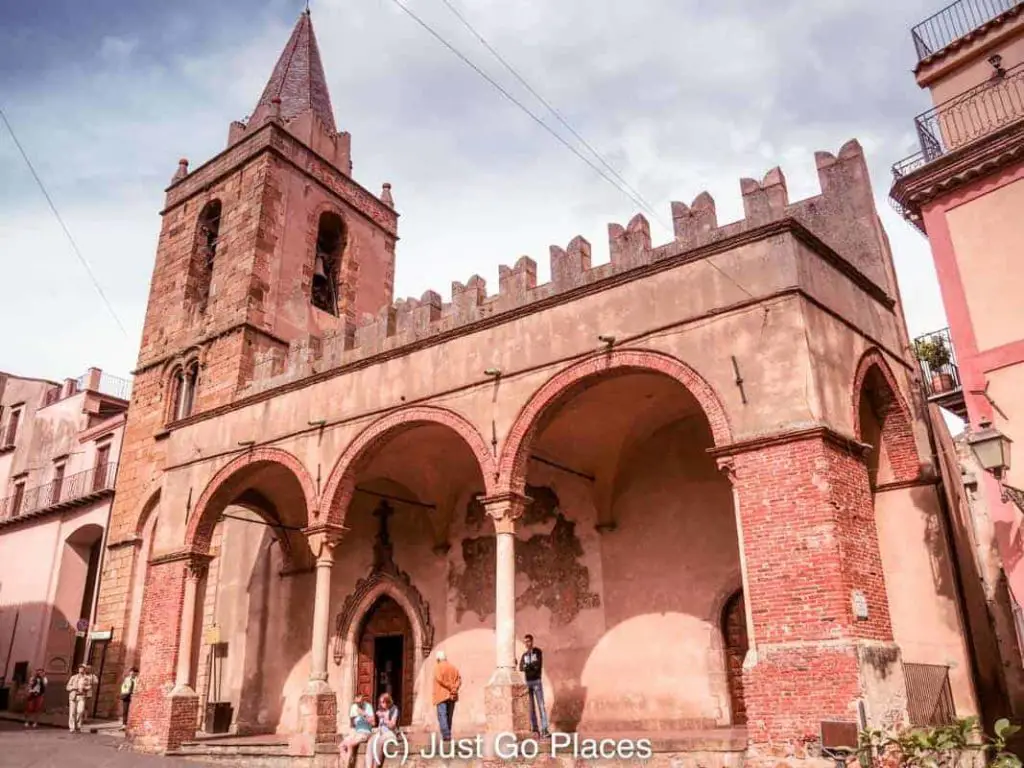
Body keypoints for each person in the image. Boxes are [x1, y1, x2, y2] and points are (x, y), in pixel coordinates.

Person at [519, 634, 550, 737]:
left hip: (536, 681)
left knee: (541, 705)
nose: (527, 643)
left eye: (528, 641)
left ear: (532, 641)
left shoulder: (537, 652)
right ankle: (535, 729)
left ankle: (545, 729)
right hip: (528, 682)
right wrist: (529, 666)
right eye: (525, 642)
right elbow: (521, 667)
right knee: (531, 707)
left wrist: (527, 666)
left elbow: (537, 666)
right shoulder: (524, 655)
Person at [339, 692, 374, 767]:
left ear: (363, 700)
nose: (358, 704)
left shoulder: (368, 707)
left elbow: (373, 723)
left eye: (360, 702)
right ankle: (348, 763)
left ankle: (347, 765)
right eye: (357, 702)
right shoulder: (354, 707)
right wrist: (352, 732)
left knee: (350, 744)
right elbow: (352, 723)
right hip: (356, 732)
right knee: (341, 746)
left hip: (365, 732)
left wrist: (364, 714)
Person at [432, 650, 461, 742]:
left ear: (438, 659)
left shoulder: (438, 667)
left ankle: (446, 735)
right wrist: (454, 687)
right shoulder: (453, 668)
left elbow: (440, 679)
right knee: (449, 716)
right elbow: (459, 680)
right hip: (453, 694)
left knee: (442, 715)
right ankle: (447, 734)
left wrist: (450, 686)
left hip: (441, 695)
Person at [366, 692, 400, 768]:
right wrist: (375, 730)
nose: (382, 704)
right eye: (381, 702)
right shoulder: (381, 710)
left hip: (390, 733)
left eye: (384, 702)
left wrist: (384, 717)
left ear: (388, 702)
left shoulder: (394, 709)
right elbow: (380, 726)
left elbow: (392, 725)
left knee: (379, 742)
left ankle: (375, 766)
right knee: (370, 743)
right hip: (381, 732)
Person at [66, 665, 91, 733]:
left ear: (84, 670)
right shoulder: (73, 677)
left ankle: (78, 725)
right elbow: (67, 687)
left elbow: (89, 686)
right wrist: (73, 687)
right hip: (73, 696)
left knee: (80, 711)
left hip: (81, 696)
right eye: (80, 668)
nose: (81, 670)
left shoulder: (87, 678)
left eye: (82, 669)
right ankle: (72, 727)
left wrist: (85, 688)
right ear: (78, 669)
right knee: (72, 712)